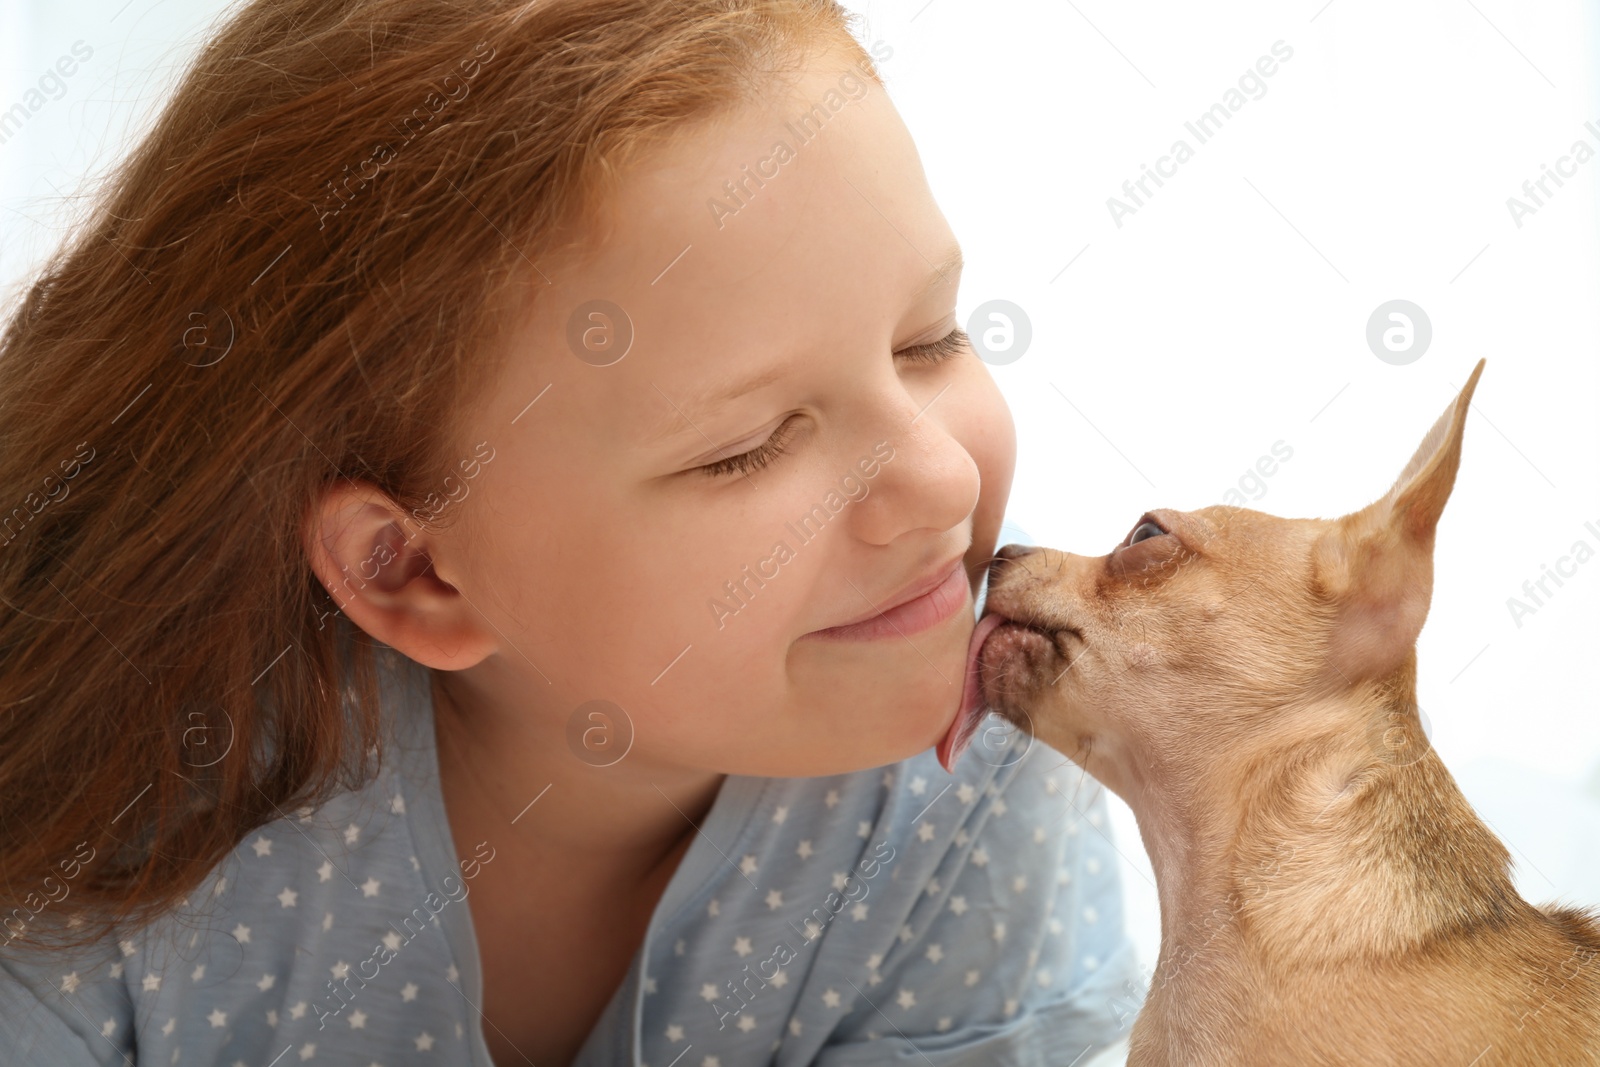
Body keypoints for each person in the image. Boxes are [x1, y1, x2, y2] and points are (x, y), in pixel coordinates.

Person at [0, 1, 1147, 1063]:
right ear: (411, 571)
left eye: (928, 340)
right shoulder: (115, 838)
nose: (942, 480)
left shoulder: (988, 758)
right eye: (744, 445)